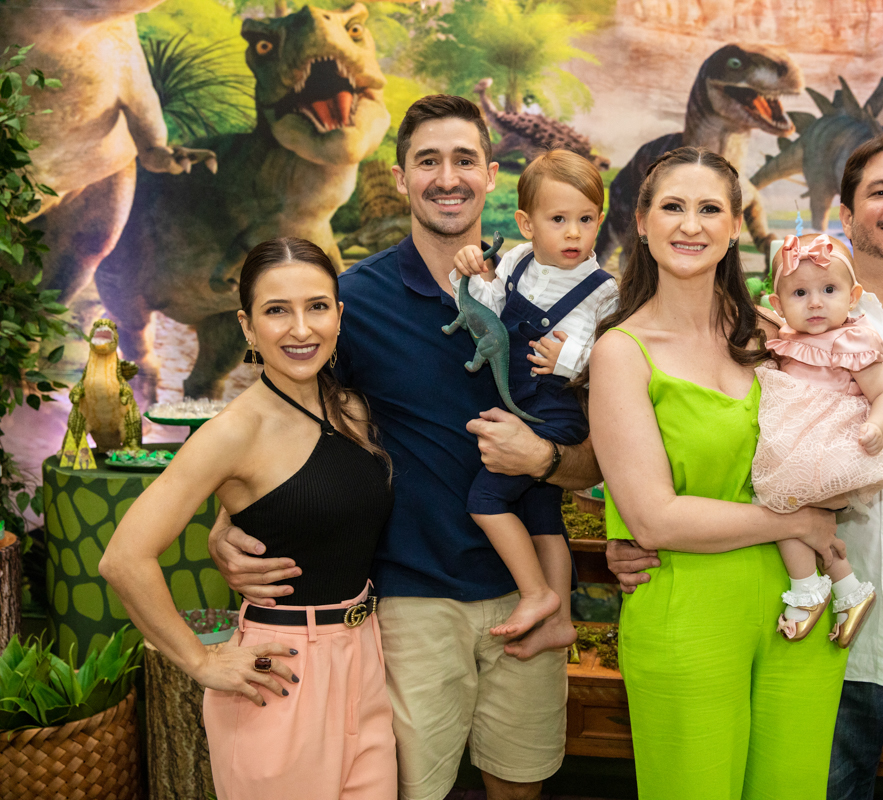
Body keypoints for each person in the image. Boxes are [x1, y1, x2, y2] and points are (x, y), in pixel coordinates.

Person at [607, 132, 883, 800]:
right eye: (880, 191)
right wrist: (631, 529)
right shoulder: (779, 329)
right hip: (811, 626)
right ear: (845, 215)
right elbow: (683, 449)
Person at [207, 95, 602, 800]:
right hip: (412, 598)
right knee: (416, 789)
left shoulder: (541, 289)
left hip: (530, 592)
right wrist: (227, 520)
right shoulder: (354, 303)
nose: (447, 178)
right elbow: (290, 419)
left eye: (464, 160)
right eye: (428, 161)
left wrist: (542, 460)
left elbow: (592, 460)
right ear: (400, 178)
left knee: (520, 784)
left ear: (491, 176)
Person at [587, 146, 849, 800]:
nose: (690, 225)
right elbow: (654, 518)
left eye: (709, 209)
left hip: (801, 614)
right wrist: (795, 520)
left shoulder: (775, 335)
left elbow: (840, 445)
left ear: (735, 227)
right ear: (642, 222)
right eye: (672, 207)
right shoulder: (621, 352)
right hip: (687, 615)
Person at [100, 238, 397, 800]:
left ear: (339, 315)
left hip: (365, 660)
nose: (300, 329)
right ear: (247, 326)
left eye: (316, 306)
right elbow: (124, 558)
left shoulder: (353, 410)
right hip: (278, 673)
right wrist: (200, 661)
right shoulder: (233, 431)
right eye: (276, 310)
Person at [451, 149, 617, 652]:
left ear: (599, 222)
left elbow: (615, 363)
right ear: (526, 223)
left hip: (556, 411)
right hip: (518, 401)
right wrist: (471, 277)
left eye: (586, 220)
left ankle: (536, 593)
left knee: (485, 501)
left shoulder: (605, 291)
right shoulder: (516, 261)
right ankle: (560, 620)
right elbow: (490, 311)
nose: (573, 233)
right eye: (558, 219)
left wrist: (570, 362)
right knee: (543, 514)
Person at [755, 232, 883, 644]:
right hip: (799, 439)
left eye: (829, 290)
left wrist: (877, 427)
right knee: (800, 514)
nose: (815, 303)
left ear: (853, 297)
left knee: (779, 504)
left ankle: (806, 588)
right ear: (778, 304)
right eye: (800, 293)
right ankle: (849, 590)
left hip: (833, 439)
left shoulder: (851, 341)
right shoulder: (785, 338)